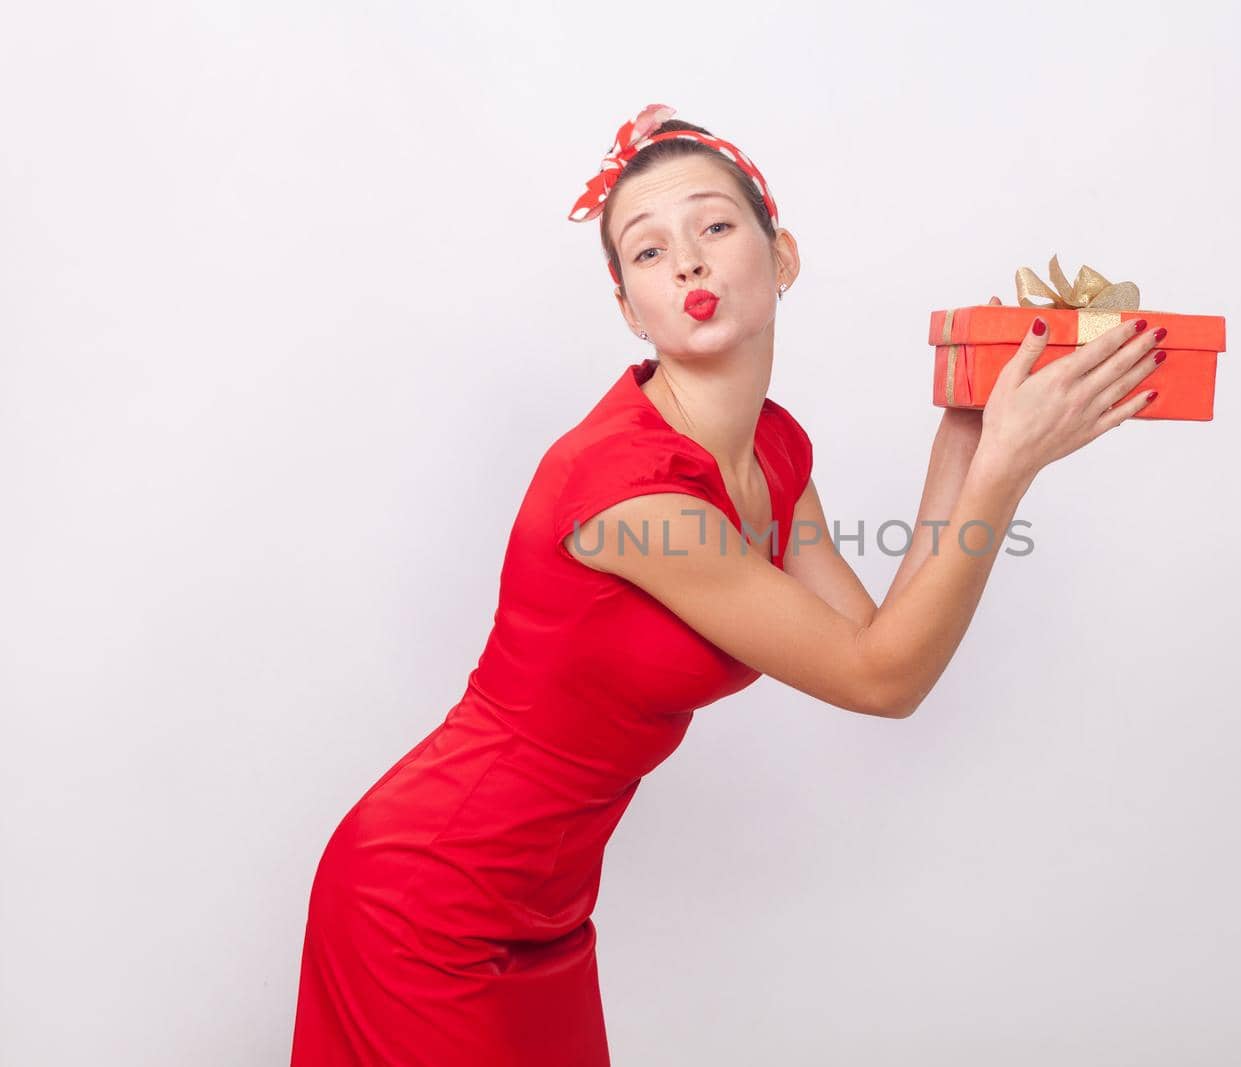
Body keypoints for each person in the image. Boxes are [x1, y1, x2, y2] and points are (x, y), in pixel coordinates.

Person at [289, 102, 1166, 1066]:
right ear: (630, 306)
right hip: (423, 899)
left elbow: (881, 643)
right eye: (650, 252)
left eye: (714, 227)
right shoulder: (624, 492)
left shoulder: (775, 452)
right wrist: (1008, 469)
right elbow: (885, 677)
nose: (691, 265)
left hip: (544, 910)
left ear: (781, 255)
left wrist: (968, 433)